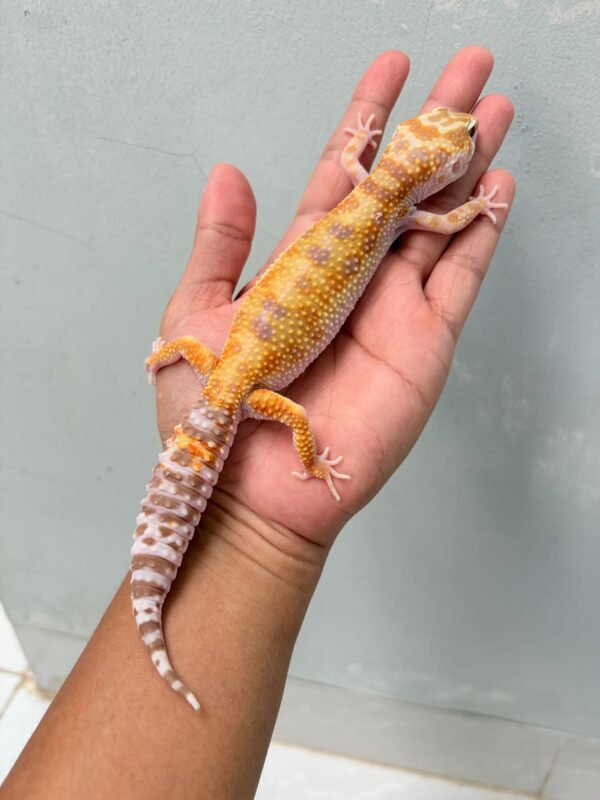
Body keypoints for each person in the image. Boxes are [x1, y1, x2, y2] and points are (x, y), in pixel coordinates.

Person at [1, 46, 514, 799]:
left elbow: (359, 160)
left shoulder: (379, 193)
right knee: (287, 425)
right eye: (451, 141)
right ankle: (157, 617)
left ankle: (161, 601)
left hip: (233, 362)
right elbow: (452, 216)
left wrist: (173, 351)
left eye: (460, 140)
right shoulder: (406, 208)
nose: (461, 140)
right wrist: (308, 462)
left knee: (218, 451)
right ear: (427, 168)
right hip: (252, 383)